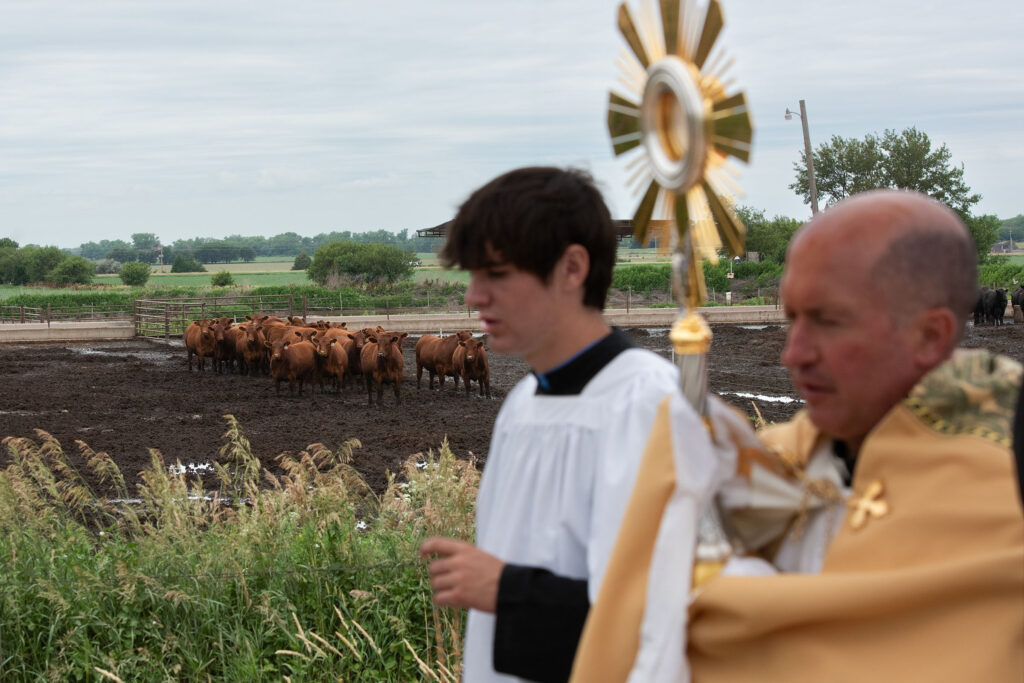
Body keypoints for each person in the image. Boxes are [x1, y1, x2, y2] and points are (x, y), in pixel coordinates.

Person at [570, 189, 1024, 682]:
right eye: (791, 319)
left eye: (828, 321)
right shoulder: (753, 466)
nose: (794, 354)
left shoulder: (1006, 485)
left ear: (930, 335)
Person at [418, 166, 714, 682]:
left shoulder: (649, 406)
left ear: (572, 268)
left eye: (497, 275)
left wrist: (507, 590)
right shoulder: (525, 400)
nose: (473, 297)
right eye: (471, 275)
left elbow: (667, 615)